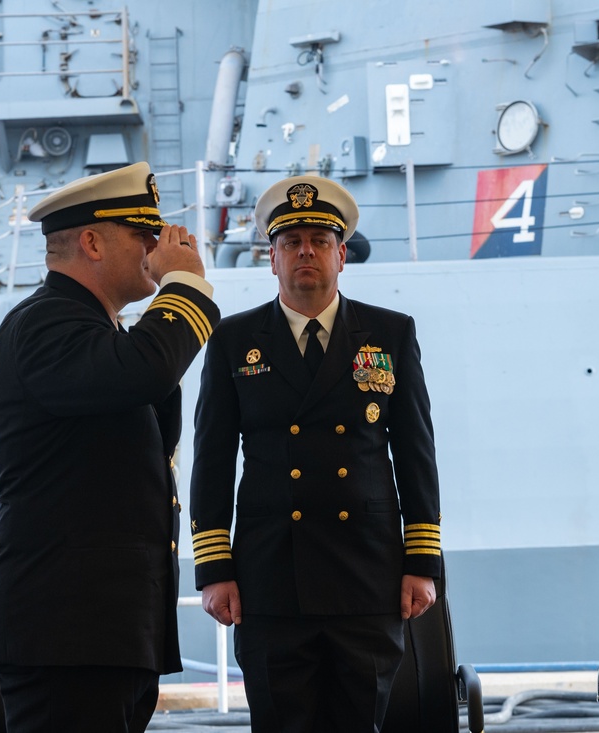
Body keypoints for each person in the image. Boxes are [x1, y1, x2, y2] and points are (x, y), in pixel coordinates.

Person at [189, 175, 442, 732]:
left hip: (366, 577)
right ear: (272, 259)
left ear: (341, 256)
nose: (306, 251)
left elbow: (415, 453)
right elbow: (210, 459)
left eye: (320, 241)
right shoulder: (234, 341)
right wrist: (213, 569)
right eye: (292, 241)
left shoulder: (389, 334)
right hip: (271, 579)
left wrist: (421, 563)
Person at [0, 162, 221, 732]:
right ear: (91, 242)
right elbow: (145, 371)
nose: (156, 247)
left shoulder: (95, 333)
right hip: (64, 633)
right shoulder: (45, 323)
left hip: (102, 632)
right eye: (143, 235)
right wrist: (184, 284)